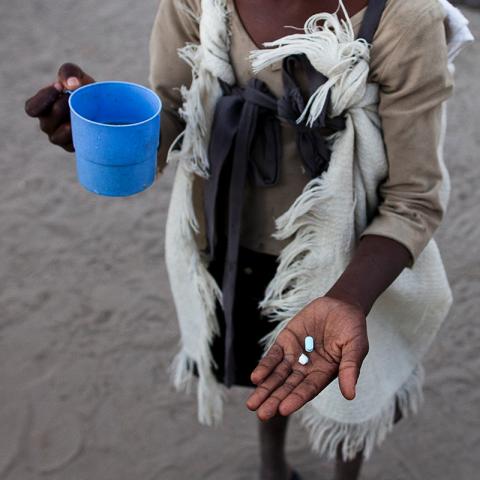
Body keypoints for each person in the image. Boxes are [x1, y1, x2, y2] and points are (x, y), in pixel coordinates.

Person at [25, 1, 471, 479]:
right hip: (236, 235)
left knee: (344, 386)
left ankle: (346, 470)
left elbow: (413, 199)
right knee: (269, 368)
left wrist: (347, 300)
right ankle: (272, 468)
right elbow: (176, 110)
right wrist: (112, 131)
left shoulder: (404, 18)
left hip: (355, 263)